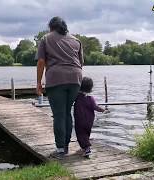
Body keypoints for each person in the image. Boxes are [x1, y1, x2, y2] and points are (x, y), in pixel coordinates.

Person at [36, 16, 84, 159]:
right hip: (76, 79)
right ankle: (66, 146)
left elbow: (41, 61)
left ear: (51, 27)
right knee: (67, 113)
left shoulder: (46, 39)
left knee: (58, 115)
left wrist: (38, 83)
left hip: (56, 79)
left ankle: (60, 149)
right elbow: (81, 63)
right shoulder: (76, 40)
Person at [74, 77, 109, 158]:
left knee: (80, 134)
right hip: (89, 121)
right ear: (91, 88)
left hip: (79, 120)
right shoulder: (91, 98)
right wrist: (103, 110)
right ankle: (85, 147)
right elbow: (96, 107)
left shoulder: (77, 97)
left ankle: (87, 148)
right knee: (86, 133)